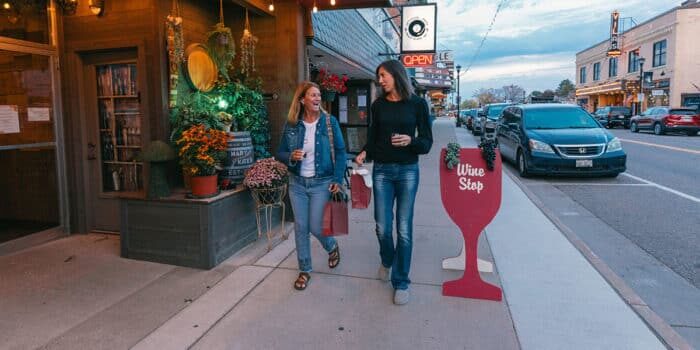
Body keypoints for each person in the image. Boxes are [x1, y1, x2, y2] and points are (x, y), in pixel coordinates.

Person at [355, 60, 433, 305]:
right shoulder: (378, 105)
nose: (380, 80)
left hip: (408, 170)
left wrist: (410, 141)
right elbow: (373, 137)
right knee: (381, 225)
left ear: (396, 74)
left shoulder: (418, 104)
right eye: (378, 76)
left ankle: (401, 281)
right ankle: (387, 259)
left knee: (404, 228)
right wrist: (364, 152)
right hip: (382, 172)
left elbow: (427, 142)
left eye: (383, 75)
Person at [277, 81, 347, 291]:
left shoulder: (329, 122)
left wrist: (337, 179)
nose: (317, 98)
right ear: (302, 100)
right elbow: (279, 152)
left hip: (321, 183)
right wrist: (291, 156)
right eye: (313, 95)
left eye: (318, 95)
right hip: (297, 183)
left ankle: (331, 245)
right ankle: (305, 270)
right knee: (301, 226)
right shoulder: (292, 125)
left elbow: (342, 152)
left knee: (316, 226)